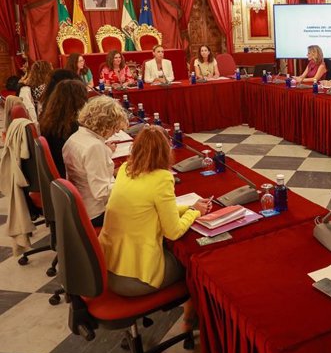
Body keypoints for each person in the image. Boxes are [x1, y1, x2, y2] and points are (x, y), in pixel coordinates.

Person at [99, 125, 210, 297]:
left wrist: (190, 207)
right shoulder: (162, 179)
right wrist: (195, 213)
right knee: (194, 265)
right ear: (166, 151)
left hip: (107, 266)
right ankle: (191, 318)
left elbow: (150, 210)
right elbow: (173, 232)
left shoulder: (125, 169)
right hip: (137, 277)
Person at [63, 96, 128, 227]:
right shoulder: (94, 147)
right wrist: (131, 183)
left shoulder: (75, 137)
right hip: (97, 212)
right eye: (115, 129)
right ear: (105, 124)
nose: (114, 134)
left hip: (82, 206)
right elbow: (102, 192)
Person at [39, 80, 88, 177]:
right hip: (69, 174)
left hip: (58, 173)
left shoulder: (51, 119)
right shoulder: (69, 127)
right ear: (78, 100)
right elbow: (83, 154)